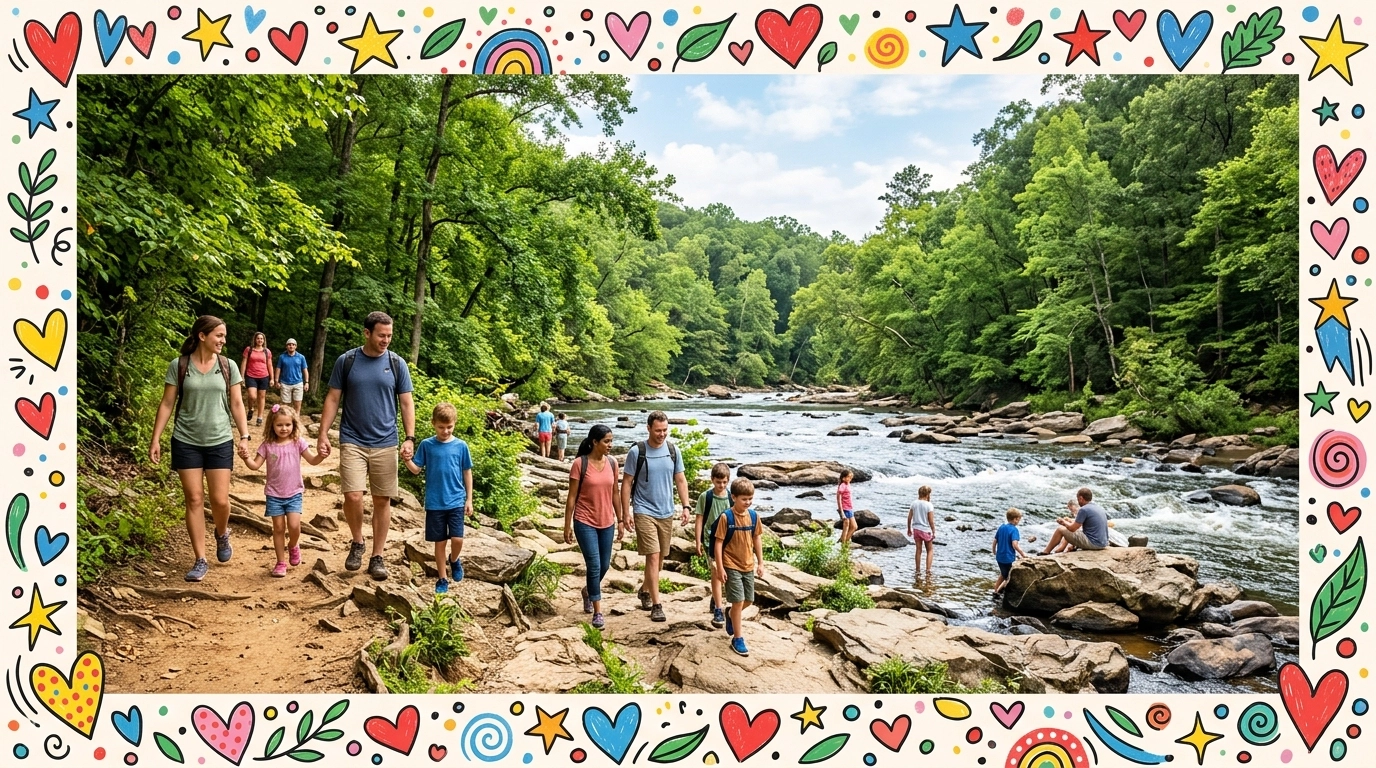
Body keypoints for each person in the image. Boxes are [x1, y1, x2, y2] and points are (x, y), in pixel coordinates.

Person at [149, 315, 253, 582]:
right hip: (186, 440)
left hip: (219, 439)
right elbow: (166, 403)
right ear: (202, 336)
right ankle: (200, 559)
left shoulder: (228, 366)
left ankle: (221, 533)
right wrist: (156, 438)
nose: (223, 340)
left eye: (224, 336)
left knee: (220, 500)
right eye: (219, 335)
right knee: (194, 499)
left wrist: (244, 435)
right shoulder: (179, 365)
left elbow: (237, 404)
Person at [318, 311, 416, 581]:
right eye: (381, 335)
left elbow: (406, 402)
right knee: (353, 496)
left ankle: (377, 556)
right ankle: (358, 541)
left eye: (390, 335)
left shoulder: (397, 364)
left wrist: (410, 437)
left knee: (382, 500)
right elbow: (333, 398)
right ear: (367, 333)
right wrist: (323, 433)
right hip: (352, 439)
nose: (386, 340)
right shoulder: (347, 361)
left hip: (386, 441)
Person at [621, 411, 692, 623]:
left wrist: (686, 506)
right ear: (649, 428)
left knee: (660, 560)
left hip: (666, 511)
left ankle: (644, 590)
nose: (662, 434)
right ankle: (657, 604)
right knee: (652, 556)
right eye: (658, 430)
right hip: (644, 510)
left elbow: (680, 479)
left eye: (665, 430)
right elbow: (626, 483)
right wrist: (626, 512)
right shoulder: (637, 452)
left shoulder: (673, 450)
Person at [241, 405, 326, 577]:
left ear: (294, 425)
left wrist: (321, 455)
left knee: (294, 526)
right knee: (278, 528)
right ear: (272, 426)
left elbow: (312, 460)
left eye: (288, 425)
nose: (284, 428)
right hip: (274, 494)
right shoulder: (267, 446)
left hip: (294, 493)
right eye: (279, 425)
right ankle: (280, 562)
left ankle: (293, 545)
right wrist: (246, 457)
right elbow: (255, 465)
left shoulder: (298, 443)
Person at [405, 402, 474, 594]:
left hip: (456, 500)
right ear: (433, 424)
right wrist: (406, 460)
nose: (445, 431)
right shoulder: (427, 445)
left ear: (455, 424)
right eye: (441, 427)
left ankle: (454, 560)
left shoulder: (461, 446)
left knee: (457, 539)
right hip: (435, 502)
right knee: (440, 542)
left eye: (449, 427)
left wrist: (469, 500)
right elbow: (417, 469)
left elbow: (467, 472)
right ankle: (442, 578)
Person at [563, 424, 626, 629]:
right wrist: (567, 525)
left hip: (607, 521)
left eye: (611, 441)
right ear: (595, 442)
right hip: (584, 521)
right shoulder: (579, 464)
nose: (610, 445)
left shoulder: (613, 463)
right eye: (606, 441)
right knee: (595, 564)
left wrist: (622, 519)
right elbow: (571, 498)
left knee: (605, 565)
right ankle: (598, 612)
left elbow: (615, 493)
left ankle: (588, 591)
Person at [713, 477, 765, 657]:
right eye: (744, 499)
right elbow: (718, 544)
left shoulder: (753, 516)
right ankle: (738, 638)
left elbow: (757, 538)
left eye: (750, 499)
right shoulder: (726, 517)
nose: (748, 502)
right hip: (730, 565)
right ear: (733, 497)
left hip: (748, 565)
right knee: (738, 601)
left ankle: (729, 614)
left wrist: (761, 562)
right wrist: (720, 568)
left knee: (748, 600)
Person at [693, 463, 733, 628]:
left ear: (728, 481)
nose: (721, 485)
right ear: (712, 480)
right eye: (718, 482)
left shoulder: (731, 497)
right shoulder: (705, 497)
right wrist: (697, 541)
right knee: (717, 573)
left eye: (724, 482)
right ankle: (718, 608)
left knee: (726, 574)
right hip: (710, 541)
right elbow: (699, 519)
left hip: (728, 543)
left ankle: (716, 598)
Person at [1038, 487, 1110, 555]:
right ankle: (1064, 549)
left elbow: (1072, 528)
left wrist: (1063, 522)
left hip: (1094, 544)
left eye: (1078, 499)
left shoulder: (1084, 509)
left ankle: (1046, 552)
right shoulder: (1098, 507)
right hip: (1103, 543)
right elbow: (1080, 526)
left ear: (1081, 498)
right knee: (1075, 532)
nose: (1078, 502)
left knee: (1060, 529)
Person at [240, 332, 274, 426]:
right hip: (251, 375)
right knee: (252, 396)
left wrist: (272, 378)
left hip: (264, 376)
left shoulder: (267, 351)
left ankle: (260, 417)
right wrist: (241, 376)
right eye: (258, 338)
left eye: (261, 339)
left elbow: (270, 365)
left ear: (264, 340)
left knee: (262, 397)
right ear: (255, 339)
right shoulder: (249, 350)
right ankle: (251, 409)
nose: (260, 340)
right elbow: (244, 363)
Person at [992, 508, 1025, 596]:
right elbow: (1015, 544)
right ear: (1015, 519)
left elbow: (995, 540)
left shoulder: (1001, 527)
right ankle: (1000, 591)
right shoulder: (1014, 530)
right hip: (1008, 558)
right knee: (1009, 577)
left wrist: (994, 550)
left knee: (1003, 573)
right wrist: (1023, 554)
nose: (1019, 522)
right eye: (1018, 520)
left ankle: (995, 590)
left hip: (999, 557)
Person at [907, 485, 937, 578]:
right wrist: (933, 531)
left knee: (918, 550)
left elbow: (909, 517)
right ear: (927, 494)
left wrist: (909, 528)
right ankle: (928, 571)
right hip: (925, 530)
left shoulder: (914, 503)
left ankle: (918, 570)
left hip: (916, 530)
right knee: (930, 550)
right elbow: (931, 521)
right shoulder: (929, 505)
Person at [275, 338, 309, 414]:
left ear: (296, 346)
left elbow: (305, 370)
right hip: (285, 383)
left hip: (298, 383)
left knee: (297, 407)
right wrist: (276, 381)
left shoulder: (301, 357)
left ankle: (296, 423)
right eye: (289, 344)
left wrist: (306, 382)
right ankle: (287, 422)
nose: (291, 346)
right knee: (285, 407)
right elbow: (278, 369)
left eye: (293, 345)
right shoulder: (282, 357)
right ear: (286, 346)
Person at [836, 469, 857, 544]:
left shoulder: (847, 484)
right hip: (845, 509)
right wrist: (841, 512)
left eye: (851, 477)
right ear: (843, 478)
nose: (850, 478)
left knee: (854, 527)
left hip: (849, 508)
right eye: (848, 477)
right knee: (846, 527)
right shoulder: (842, 486)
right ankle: (844, 544)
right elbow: (838, 498)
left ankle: (844, 541)